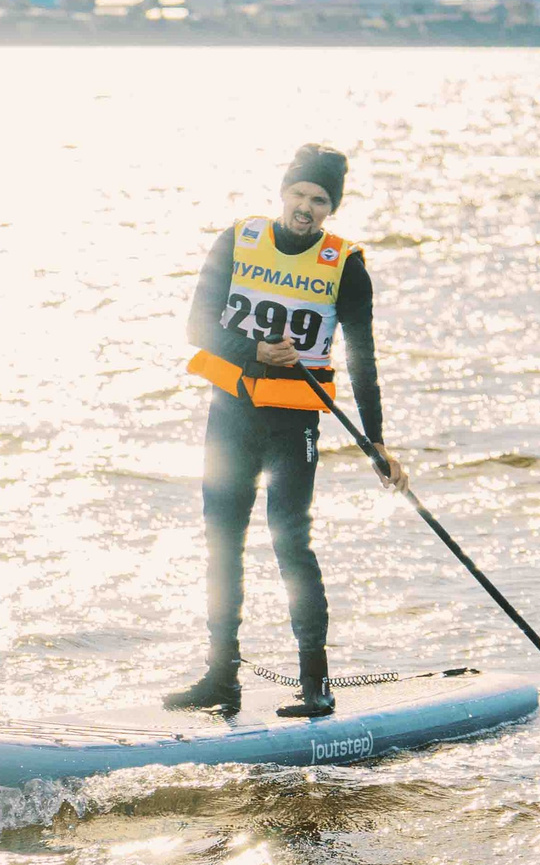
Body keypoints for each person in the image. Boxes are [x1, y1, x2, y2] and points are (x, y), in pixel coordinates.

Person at [165, 144, 408, 719]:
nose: (306, 207)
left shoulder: (345, 266)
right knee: (222, 543)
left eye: (319, 200)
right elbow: (198, 325)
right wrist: (254, 350)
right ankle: (221, 678)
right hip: (231, 413)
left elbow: (363, 358)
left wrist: (376, 440)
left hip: (292, 423)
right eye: (299, 194)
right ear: (283, 193)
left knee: (291, 544)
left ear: (331, 208)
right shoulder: (239, 239)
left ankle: (316, 686)